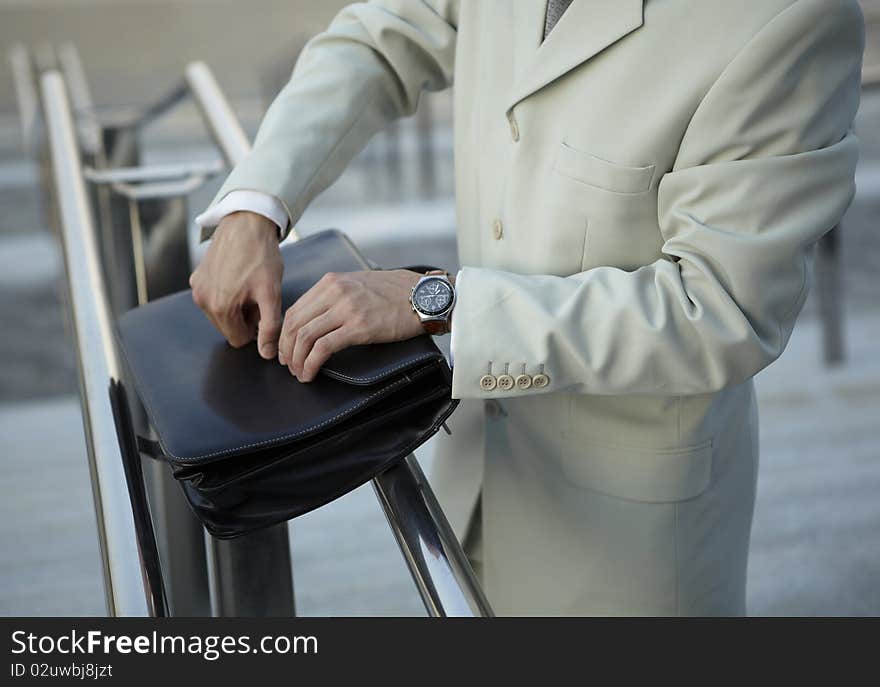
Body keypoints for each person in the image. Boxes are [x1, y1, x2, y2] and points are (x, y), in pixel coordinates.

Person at [190, 0, 864, 615]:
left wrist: (442, 303)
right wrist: (257, 202)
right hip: (471, 476)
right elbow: (379, 35)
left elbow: (719, 307)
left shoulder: (787, 18)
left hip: (626, 543)